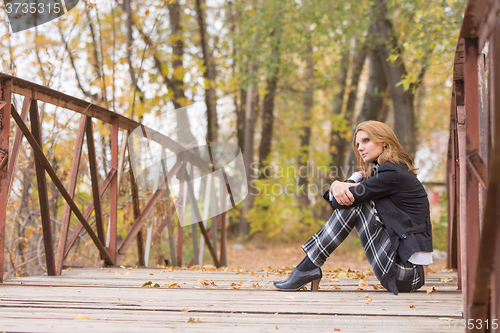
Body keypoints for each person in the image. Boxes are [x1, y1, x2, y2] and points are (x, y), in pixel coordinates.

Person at [273, 120, 433, 295]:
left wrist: (341, 183)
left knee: (355, 204)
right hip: (404, 270)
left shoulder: (392, 173)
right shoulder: (388, 172)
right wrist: (343, 182)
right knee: (353, 202)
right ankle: (307, 267)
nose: (360, 148)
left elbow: (342, 201)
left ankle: (307, 266)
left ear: (384, 141)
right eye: (358, 144)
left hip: (408, 273)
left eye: (366, 141)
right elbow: (338, 199)